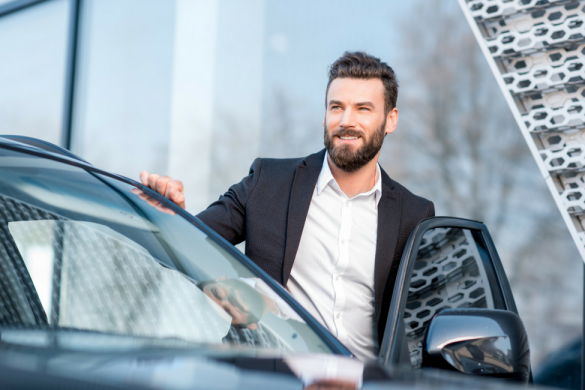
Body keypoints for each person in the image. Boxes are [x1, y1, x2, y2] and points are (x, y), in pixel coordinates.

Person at [136, 51, 434, 361]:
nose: (347, 121)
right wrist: (172, 217)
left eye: (363, 108)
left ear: (390, 120)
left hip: (369, 380)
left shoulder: (413, 215)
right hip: (273, 376)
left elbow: (421, 325)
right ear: (324, 115)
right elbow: (188, 248)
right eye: (337, 107)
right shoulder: (268, 183)